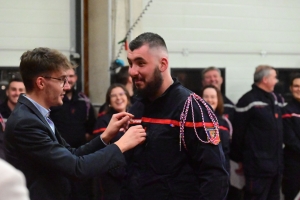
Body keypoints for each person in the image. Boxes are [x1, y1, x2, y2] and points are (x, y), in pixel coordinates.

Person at [4, 47, 146, 200]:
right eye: (61, 80)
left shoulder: (37, 115)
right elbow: (77, 168)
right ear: (41, 83)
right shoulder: (26, 122)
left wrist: (105, 137)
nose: (66, 86)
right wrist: (121, 145)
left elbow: (72, 154)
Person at [121, 32, 228, 199]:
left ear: (163, 64)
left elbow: (215, 177)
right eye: (130, 64)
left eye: (141, 63)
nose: (132, 71)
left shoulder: (192, 109)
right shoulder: (136, 109)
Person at [231, 65, 283, 200]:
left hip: (276, 166)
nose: (277, 81)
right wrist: (239, 159)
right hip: (257, 167)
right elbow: (238, 133)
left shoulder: (274, 99)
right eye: (274, 77)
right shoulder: (248, 100)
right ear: (265, 79)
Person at [49, 62, 96, 199]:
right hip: (58, 156)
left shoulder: (83, 100)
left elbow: (90, 125)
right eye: (65, 76)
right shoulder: (53, 100)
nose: (68, 79)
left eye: (71, 76)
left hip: (81, 155)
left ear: (76, 78)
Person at [93, 83, 131, 200]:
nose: (118, 98)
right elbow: (101, 151)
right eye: (113, 96)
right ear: (109, 101)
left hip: (134, 175)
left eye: (121, 94)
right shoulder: (103, 121)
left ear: (128, 98)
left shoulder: (136, 118)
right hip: (111, 176)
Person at [200, 85, 231, 173]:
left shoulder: (225, 122)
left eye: (213, 97)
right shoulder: (193, 121)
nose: (209, 100)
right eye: (206, 97)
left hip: (222, 171)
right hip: (201, 171)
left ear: (218, 100)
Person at [281, 73, 300, 200]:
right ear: (291, 88)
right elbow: (290, 139)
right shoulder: (287, 111)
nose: (299, 89)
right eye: (296, 86)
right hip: (294, 166)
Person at [0, 77, 25, 159]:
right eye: (13, 89)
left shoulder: (31, 113)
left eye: (21, 90)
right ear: (7, 92)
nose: (17, 93)